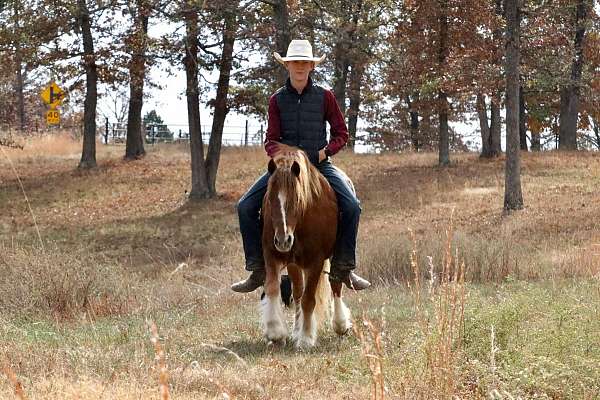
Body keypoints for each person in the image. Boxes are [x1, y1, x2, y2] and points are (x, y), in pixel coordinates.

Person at [231, 39, 371, 293]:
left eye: (304, 62)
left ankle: (343, 267)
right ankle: (257, 268)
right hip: (285, 170)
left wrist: (325, 152)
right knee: (244, 207)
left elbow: (341, 133)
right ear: (287, 65)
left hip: (319, 166)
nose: (299, 66)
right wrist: (281, 157)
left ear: (311, 66)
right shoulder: (277, 99)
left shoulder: (325, 97)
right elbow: (270, 141)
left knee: (352, 206)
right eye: (295, 62)